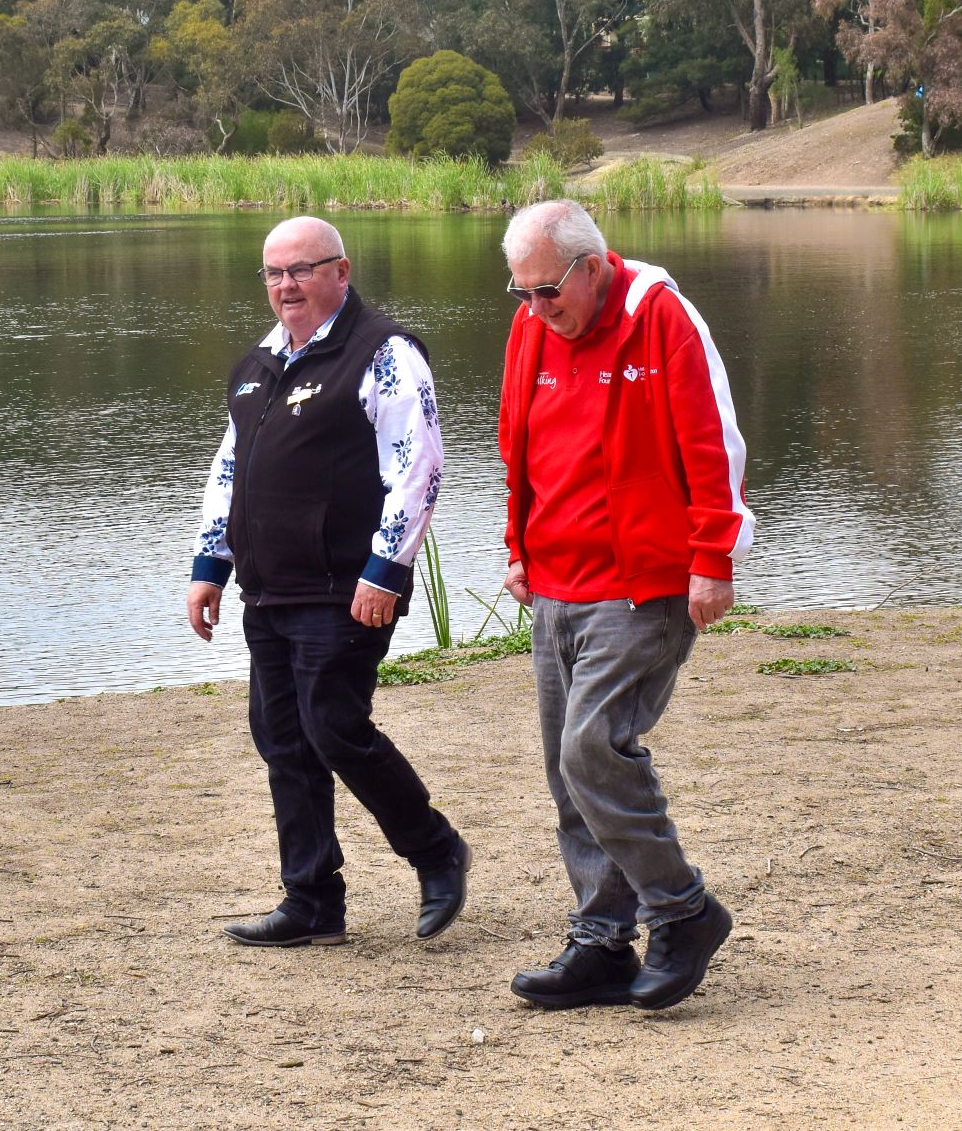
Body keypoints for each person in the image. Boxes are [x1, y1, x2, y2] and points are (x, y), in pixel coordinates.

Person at [497, 200, 754, 1012]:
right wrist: (517, 544)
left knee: (591, 749)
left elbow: (712, 442)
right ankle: (602, 939)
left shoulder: (661, 318)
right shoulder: (533, 328)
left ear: (594, 266)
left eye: (549, 291)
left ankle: (683, 911)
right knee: (565, 774)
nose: (537, 309)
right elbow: (518, 440)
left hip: (646, 583)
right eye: (522, 293)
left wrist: (714, 560)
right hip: (556, 582)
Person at [186, 215, 470, 948]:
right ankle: (311, 899)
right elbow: (229, 469)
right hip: (269, 586)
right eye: (275, 273)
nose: (287, 285)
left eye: (303, 270)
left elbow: (419, 465)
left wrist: (387, 567)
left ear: (342, 271)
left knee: (333, 725)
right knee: (282, 737)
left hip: (347, 586)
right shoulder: (258, 364)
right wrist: (208, 564)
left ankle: (435, 849)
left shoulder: (384, 353)